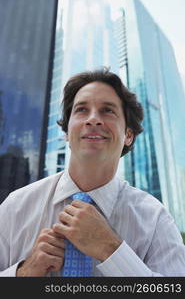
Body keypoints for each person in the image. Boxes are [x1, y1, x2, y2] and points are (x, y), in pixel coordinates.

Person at [0, 68, 185, 277]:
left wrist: (111, 250)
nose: (93, 119)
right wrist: (22, 275)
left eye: (108, 110)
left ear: (129, 136)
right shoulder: (15, 207)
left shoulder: (156, 220)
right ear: (67, 133)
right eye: (81, 110)